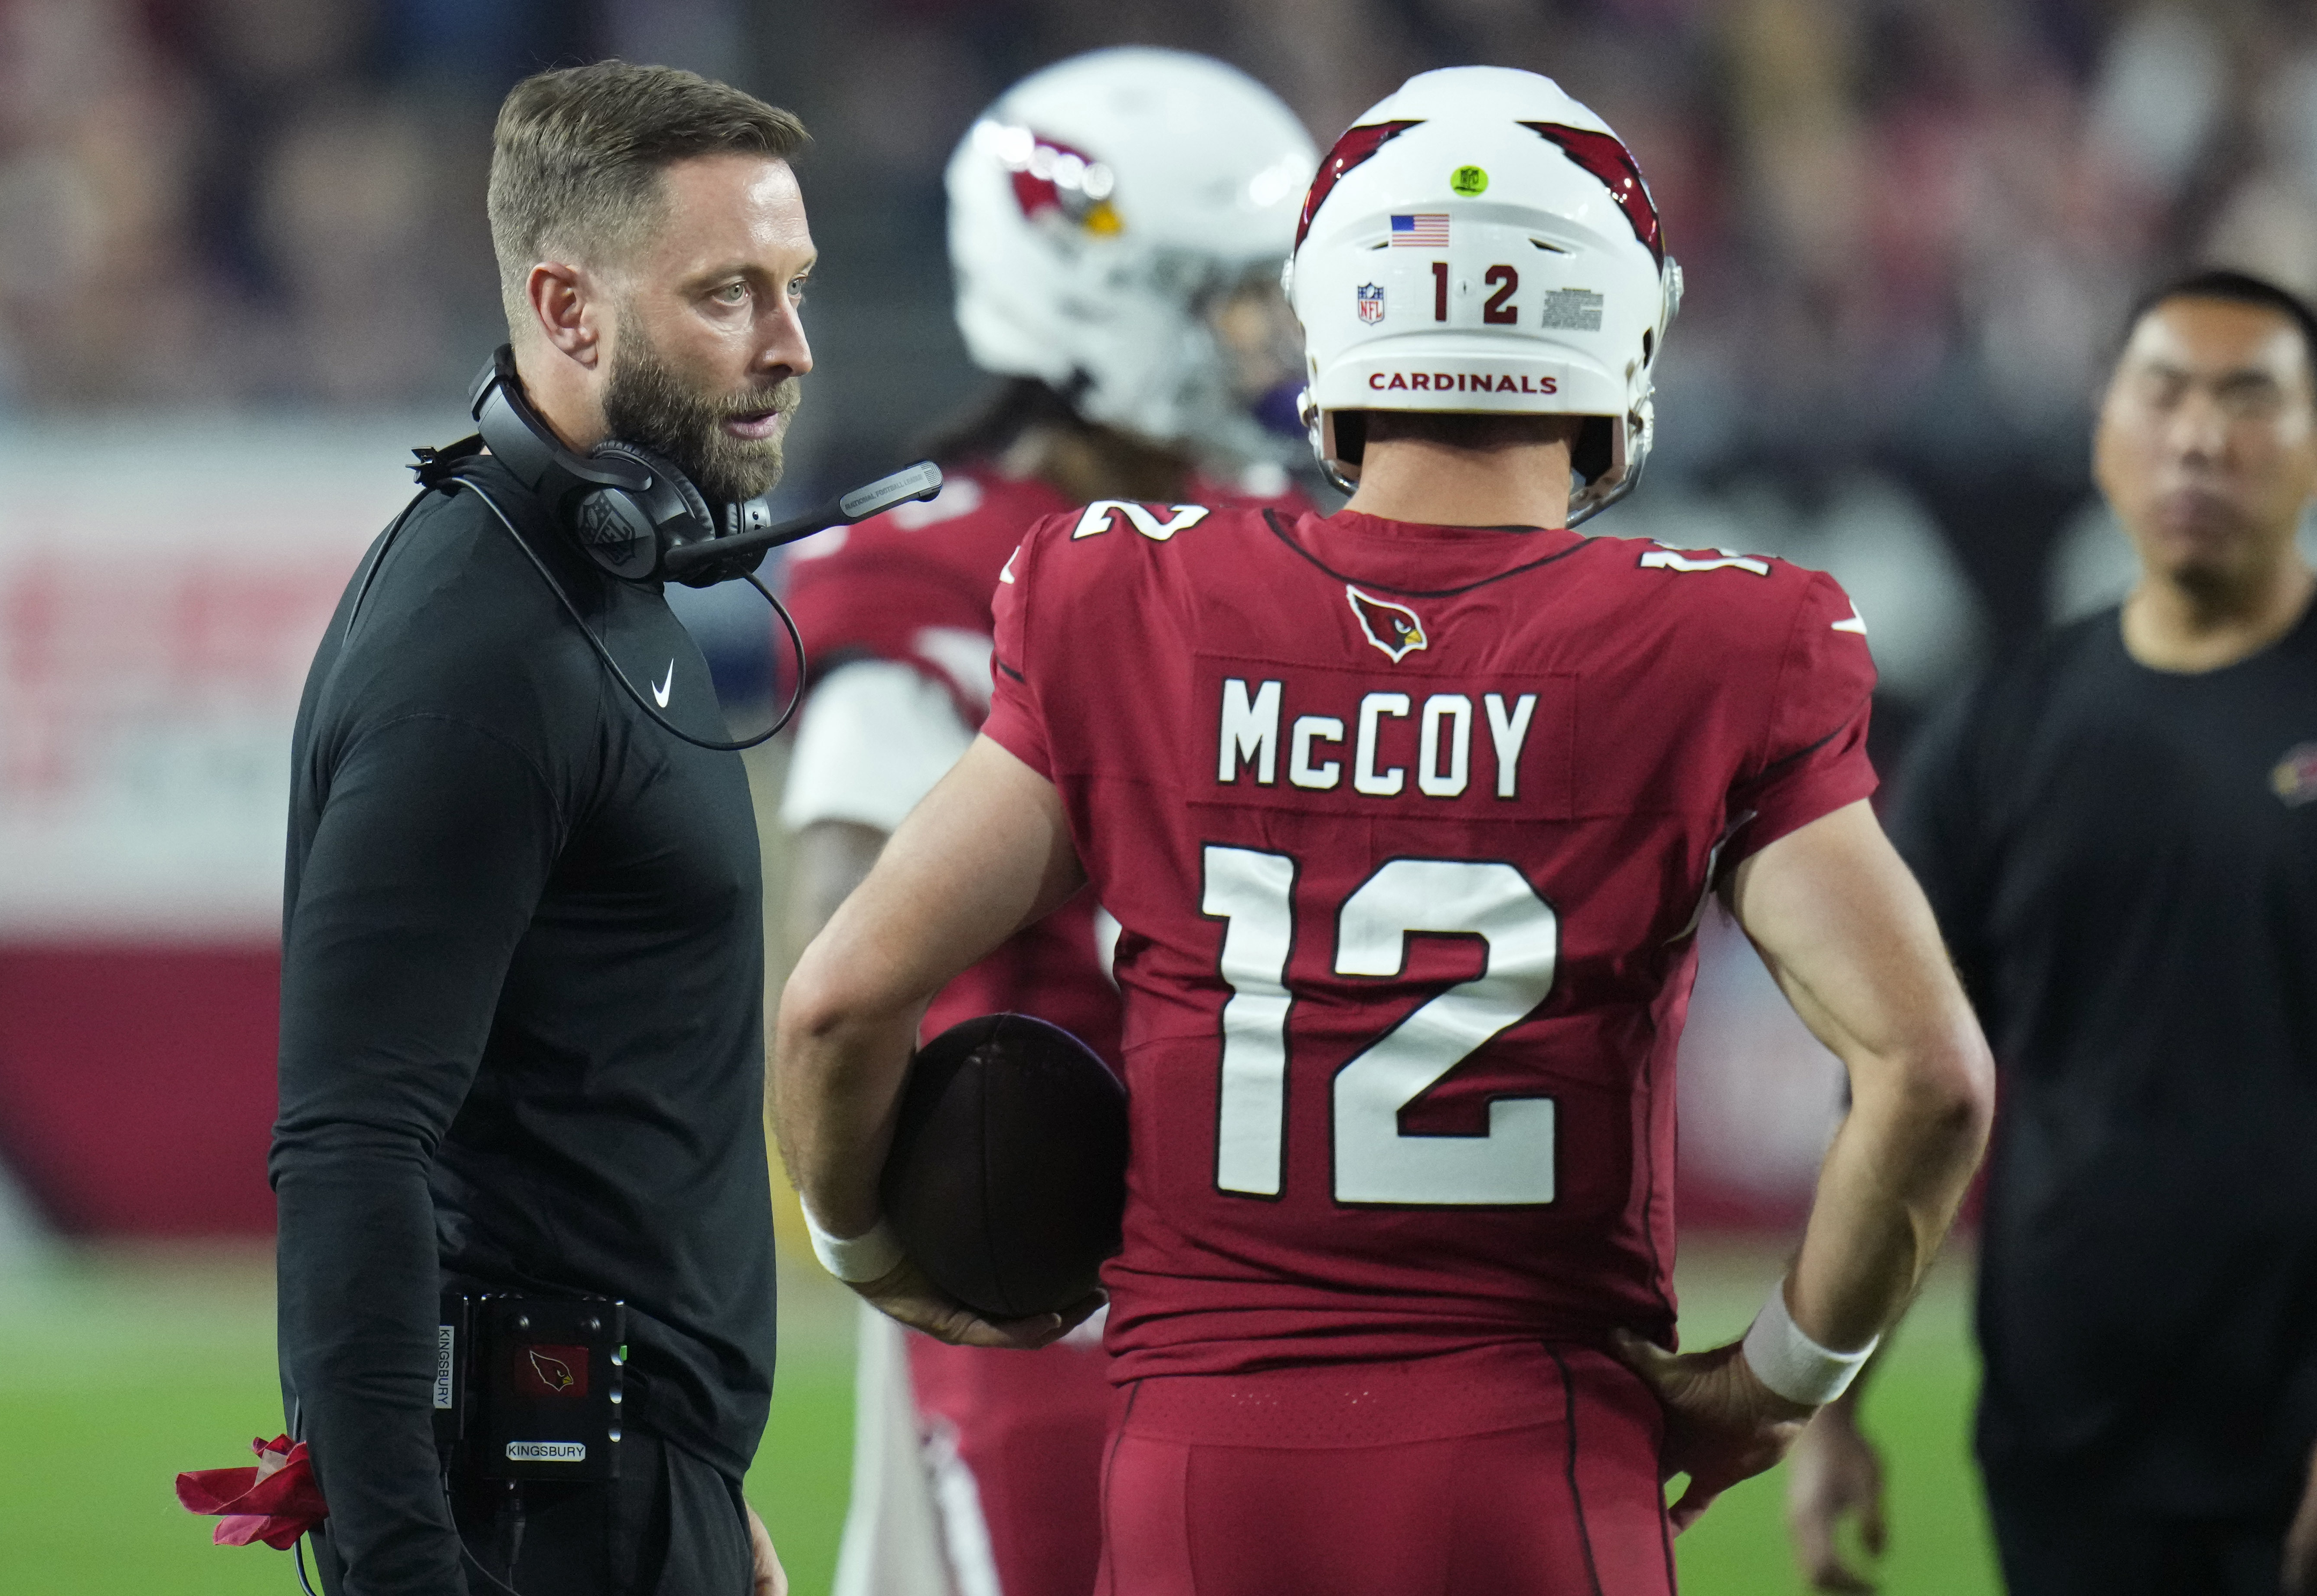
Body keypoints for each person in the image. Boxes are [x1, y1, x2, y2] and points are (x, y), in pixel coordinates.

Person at [772, 65, 1994, 1596]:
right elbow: (1933, 1075)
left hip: (1196, 1470)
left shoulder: (1118, 594)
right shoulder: (1725, 640)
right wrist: (1782, 1380)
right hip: (1535, 1455)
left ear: (1332, 312)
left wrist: (876, 1263)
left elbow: (831, 1000)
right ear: (1622, 327)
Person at [777, 48, 1315, 1596]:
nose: (1270, 333)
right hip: (1054, 1259)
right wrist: (881, 1234)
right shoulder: (933, 559)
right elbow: (835, 933)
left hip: (1275, 1259)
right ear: (1101, 293)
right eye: (1230, 295)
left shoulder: (1293, 528)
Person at [272, 61, 808, 1596]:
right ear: (570, 311)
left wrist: (690, 1474)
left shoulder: (590, 582)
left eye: (793, 286)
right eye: (731, 296)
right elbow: (349, 1143)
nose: (792, 348)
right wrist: (403, 1571)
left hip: (624, 1488)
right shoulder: (481, 660)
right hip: (534, 1524)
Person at [1792, 268, 2317, 1596]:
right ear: (2107, 434)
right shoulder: (2004, 728)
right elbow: (1891, 1080)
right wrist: (1831, 1408)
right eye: (2164, 393)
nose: (2198, 434)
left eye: (2249, 398)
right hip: (2065, 1426)